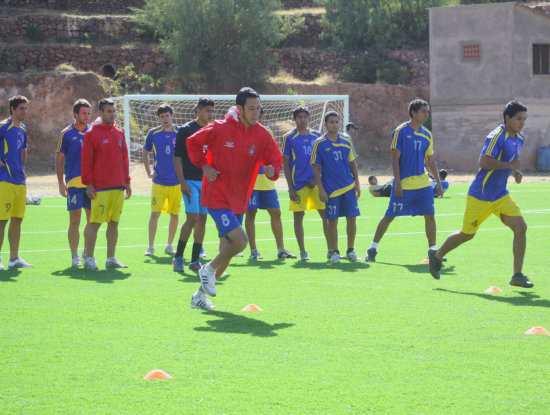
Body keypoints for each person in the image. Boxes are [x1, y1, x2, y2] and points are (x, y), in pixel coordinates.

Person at [186, 87, 282, 310]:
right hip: (217, 195)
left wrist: (271, 170)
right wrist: (205, 165)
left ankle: (198, 297)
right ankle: (207, 269)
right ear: (239, 109)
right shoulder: (220, 128)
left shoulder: (262, 134)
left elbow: (275, 160)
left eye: (258, 108)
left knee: (226, 253)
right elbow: (192, 143)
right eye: (251, 108)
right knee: (240, 242)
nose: (256, 112)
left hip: (239, 199)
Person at [429, 101, 533, 288]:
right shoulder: (496, 136)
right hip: (481, 195)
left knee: (521, 228)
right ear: (507, 118)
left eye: (524, 119)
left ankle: (517, 275)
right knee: (466, 235)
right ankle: (437, 255)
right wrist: (510, 166)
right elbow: (484, 162)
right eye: (519, 119)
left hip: (501, 194)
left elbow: (507, 161)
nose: (522, 123)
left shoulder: (520, 138)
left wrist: (514, 172)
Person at [365, 99, 443, 263]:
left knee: (430, 215)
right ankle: (372, 248)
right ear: (413, 113)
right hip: (404, 186)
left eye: (427, 111)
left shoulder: (427, 134)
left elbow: (430, 160)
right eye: (423, 111)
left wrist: (438, 183)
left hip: (423, 185)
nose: (426, 115)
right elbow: (395, 160)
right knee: (389, 216)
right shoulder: (400, 132)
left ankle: (432, 251)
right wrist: (398, 184)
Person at [81, 98, 131, 270]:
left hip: (118, 186)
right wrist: (88, 184)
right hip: (100, 187)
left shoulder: (119, 133)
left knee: (114, 223)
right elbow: (86, 161)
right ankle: (90, 259)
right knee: (95, 223)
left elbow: (125, 159)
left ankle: (111, 259)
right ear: (100, 113)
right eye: (108, 111)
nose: (112, 114)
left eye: (113, 111)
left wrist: (128, 182)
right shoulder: (91, 134)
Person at [245, 107, 295, 260]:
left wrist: (272, 168)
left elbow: (271, 153)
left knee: (276, 212)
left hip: (267, 180)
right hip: (251, 181)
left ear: (262, 115)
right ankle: (253, 251)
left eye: (258, 114)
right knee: (251, 213)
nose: (256, 117)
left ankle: (281, 249)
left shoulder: (267, 131)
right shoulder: (243, 132)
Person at [311, 111, 360, 263]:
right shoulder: (319, 143)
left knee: (352, 218)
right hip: (331, 190)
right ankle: (334, 251)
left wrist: (357, 183)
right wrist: (321, 189)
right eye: (331, 122)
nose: (334, 124)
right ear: (325, 124)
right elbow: (316, 168)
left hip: (348, 186)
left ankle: (351, 250)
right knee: (332, 220)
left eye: (336, 121)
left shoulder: (346, 139)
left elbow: (352, 162)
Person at [172, 98, 215, 272]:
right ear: (197, 110)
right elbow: (177, 157)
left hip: (206, 182)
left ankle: (195, 260)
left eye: (212, 111)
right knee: (193, 218)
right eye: (207, 110)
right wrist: (182, 182)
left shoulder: (213, 130)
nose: (209, 114)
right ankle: (178, 257)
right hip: (190, 180)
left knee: (202, 220)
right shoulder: (186, 130)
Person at [282, 105, 328, 261]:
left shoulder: (317, 136)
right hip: (299, 184)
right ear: (295, 119)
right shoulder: (289, 138)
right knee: (298, 217)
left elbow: (323, 160)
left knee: (326, 215)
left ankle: (332, 249)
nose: (303, 119)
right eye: (299, 117)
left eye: (305, 117)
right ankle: (303, 251)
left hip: (316, 183)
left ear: (309, 118)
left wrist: (317, 179)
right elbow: (286, 164)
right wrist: (290, 188)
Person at [55, 99, 92, 267]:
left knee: (93, 221)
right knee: (75, 220)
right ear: (75, 114)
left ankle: (87, 251)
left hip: (92, 185)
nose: (87, 116)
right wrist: (61, 183)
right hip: (74, 184)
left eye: (88, 113)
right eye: (84, 113)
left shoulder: (93, 132)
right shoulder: (66, 133)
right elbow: (59, 159)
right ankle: (74, 255)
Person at [142, 103, 181, 257]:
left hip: (177, 182)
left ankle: (170, 245)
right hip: (159, 182)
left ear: (172, 115)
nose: (165, 119)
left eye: (167, 115)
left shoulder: (180, 132)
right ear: (158, 118)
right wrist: (149, 171)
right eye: (162, 116)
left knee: (174, 214)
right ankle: (150, 246)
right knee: (155, 214)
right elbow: (145, 152)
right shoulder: (153, 133)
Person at [0, 95, 33, 270]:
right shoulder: (3, 127)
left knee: (17, 219)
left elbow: (23, 149)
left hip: (20, 181)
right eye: (21, 108)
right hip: (4, 180)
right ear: (12, 109)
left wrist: (23, 168)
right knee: (1, 220)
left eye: (26, 108)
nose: (24, 111)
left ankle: (14, 258)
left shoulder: (23, 129)